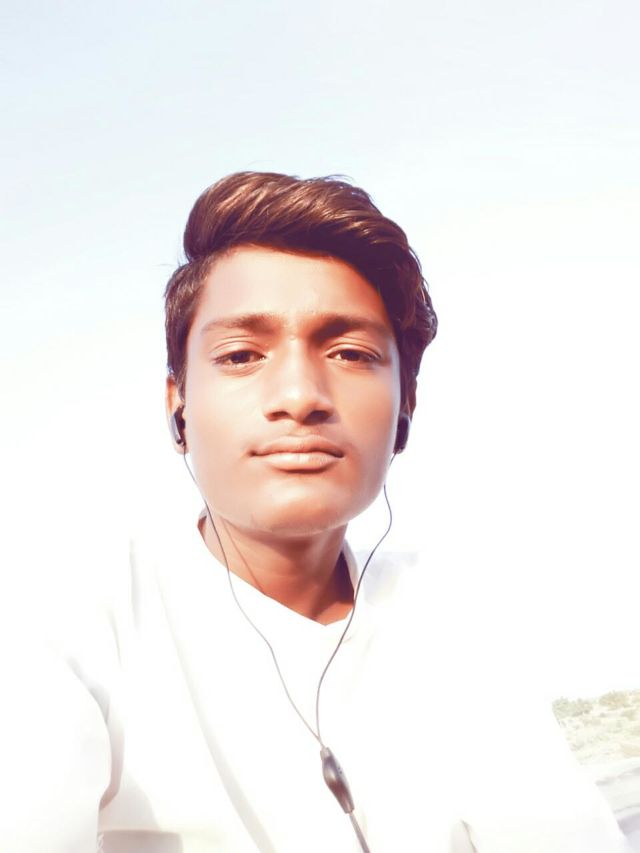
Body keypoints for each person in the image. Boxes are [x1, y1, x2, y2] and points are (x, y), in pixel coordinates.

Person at [2, 172, 630, 852]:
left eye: (351, 353)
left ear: (406, 404)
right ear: (178, 405)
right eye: (241, 355)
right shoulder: (66, 621)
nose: (300, 395)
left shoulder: (449, 610)